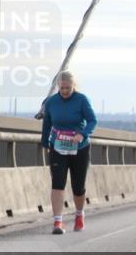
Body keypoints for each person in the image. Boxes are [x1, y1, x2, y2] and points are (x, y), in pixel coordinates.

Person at [40, 70, 97, 234]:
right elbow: (47, 124)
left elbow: (93, 120)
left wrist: (82, 134)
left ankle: (79, 214)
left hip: (80, 148)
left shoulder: (81, 100)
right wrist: (45, 143)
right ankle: (58, 222)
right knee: (57, 183)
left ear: (74, 86)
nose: (65, 91)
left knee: (78, 186)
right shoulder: (51, 102)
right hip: (58, 147)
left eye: (68, 88)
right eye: (62, 88)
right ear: (58, 86)